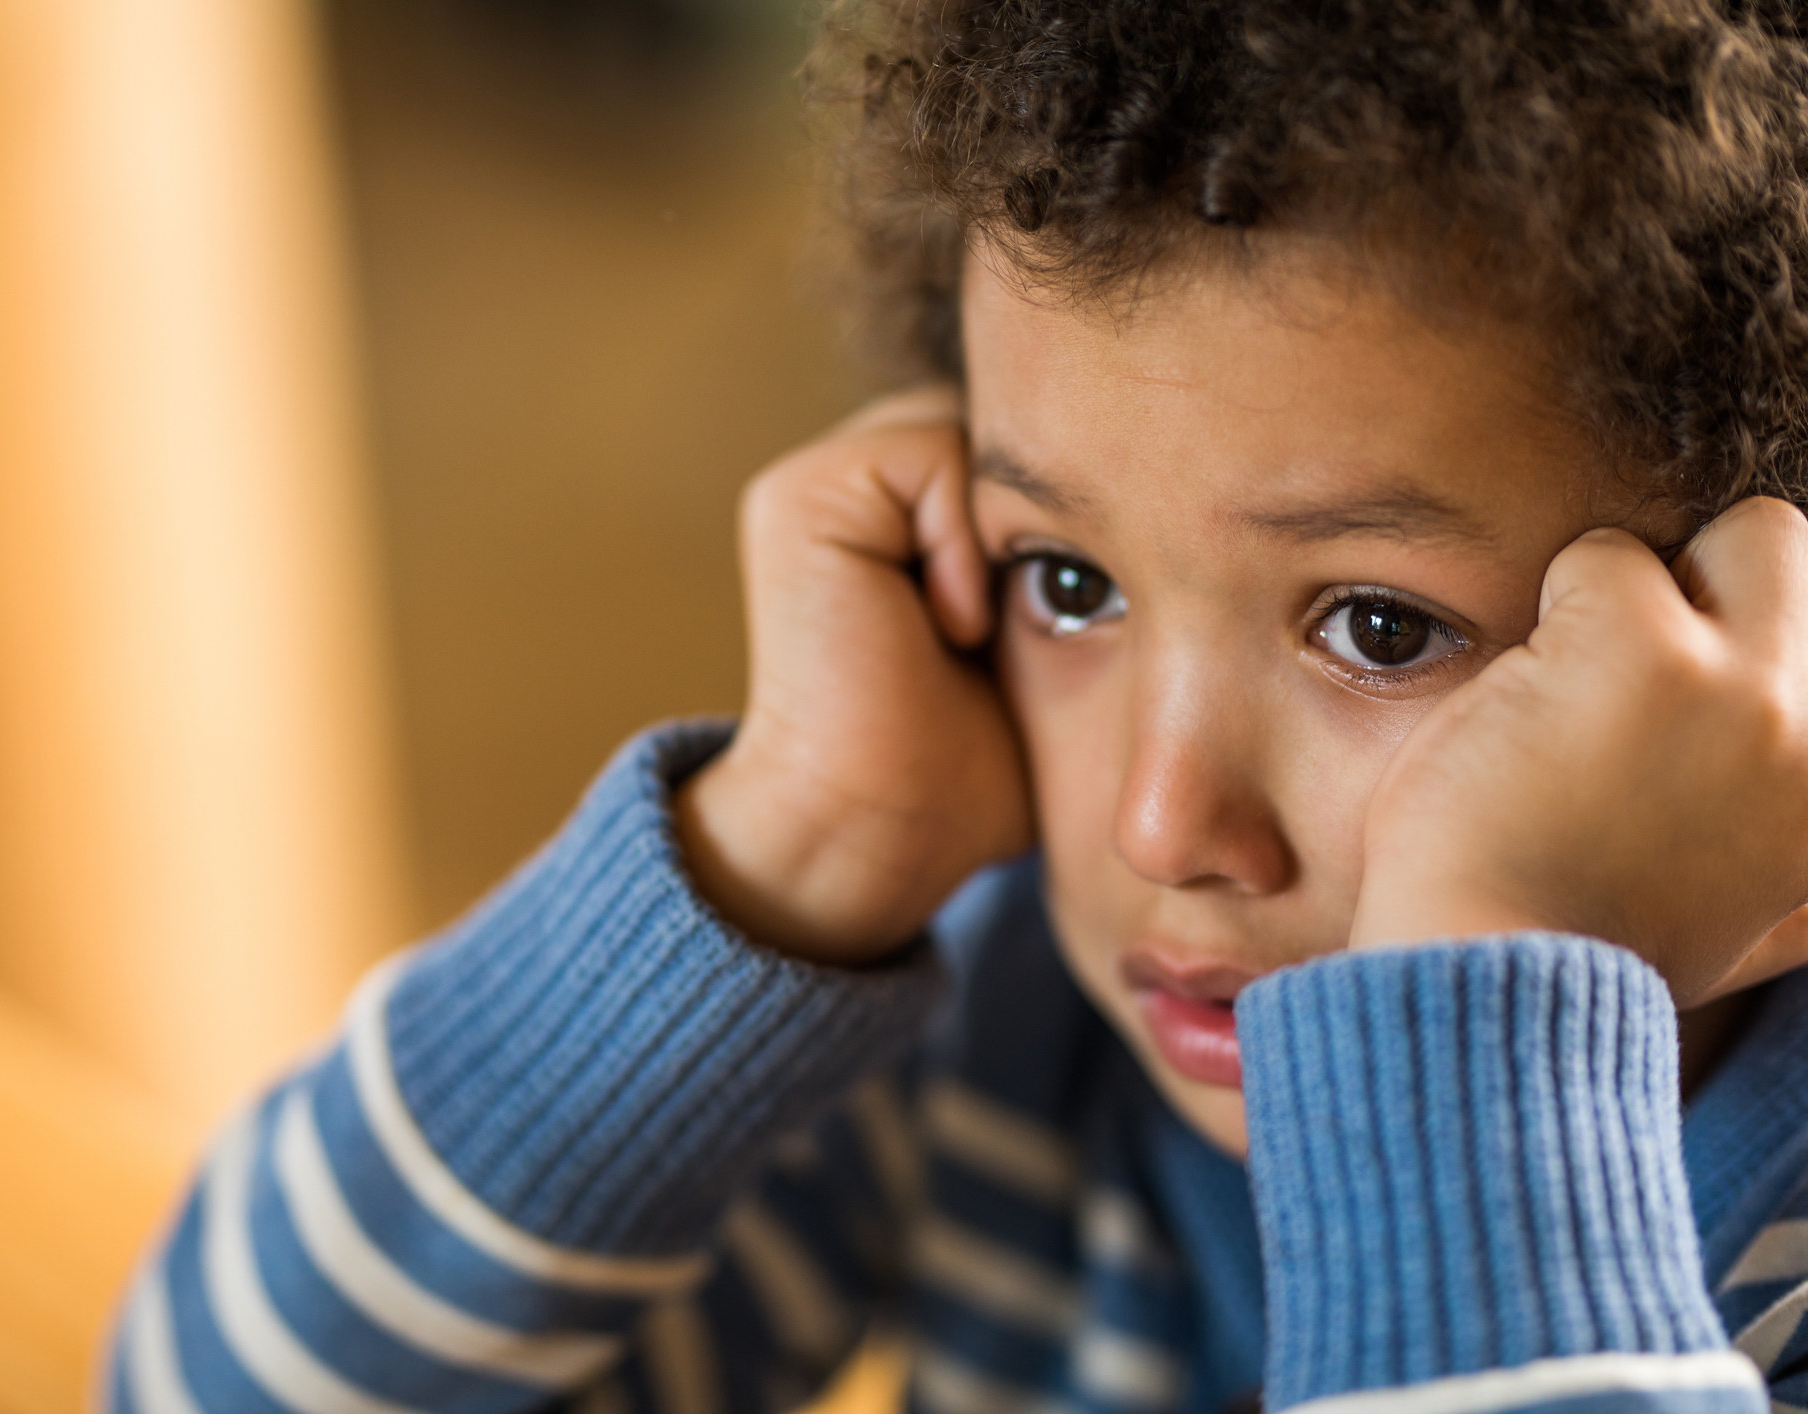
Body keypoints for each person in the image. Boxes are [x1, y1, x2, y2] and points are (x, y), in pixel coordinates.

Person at [107, 3, 1808, 1412]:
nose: (1156, 819)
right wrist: (795, 838)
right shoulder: (997, 1014)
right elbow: (216, 1389)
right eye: (1066, 581)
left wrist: (1477, 984)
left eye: (1378, 625)